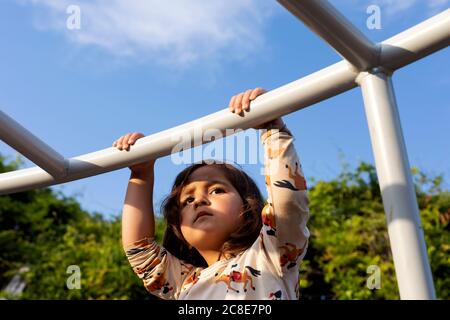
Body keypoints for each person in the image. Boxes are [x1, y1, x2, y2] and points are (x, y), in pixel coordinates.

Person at [113, 88, 310, 300]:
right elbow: (139, 249)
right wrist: (141, 175)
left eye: (217, 190)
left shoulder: (270, 253)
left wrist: (272, 129)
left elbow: (286, 203)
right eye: (187, 200)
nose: (198, 200)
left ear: (248, 207)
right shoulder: (183, 282)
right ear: (179, 229)